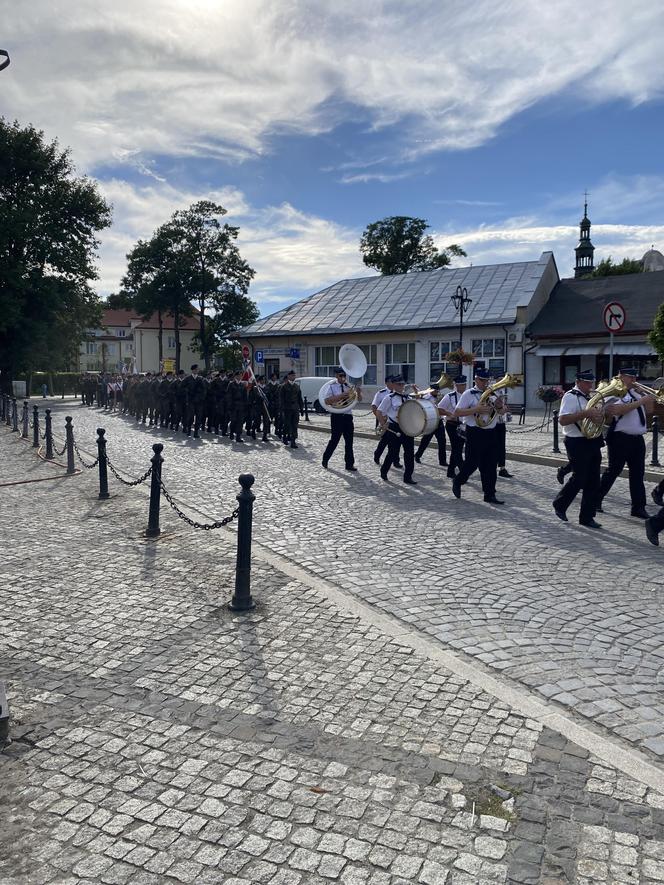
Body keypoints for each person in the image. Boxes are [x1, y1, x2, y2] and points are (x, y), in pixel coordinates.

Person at [597, 368, 655, 519]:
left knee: (638, 474)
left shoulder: (637, 393)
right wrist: (641, 401)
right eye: (631, 377)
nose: (634, 379)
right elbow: (617, 410)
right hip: (619, 438)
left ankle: (638, 507)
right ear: (621, 377)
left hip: (637, 439)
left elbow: (649, 411)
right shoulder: (613, 392)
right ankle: (595, 500)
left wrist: (648, 398)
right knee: (613, 471)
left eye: (635, 376)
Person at [552, 370, 604, 528]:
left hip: (592, 440)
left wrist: (600, 415)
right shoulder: (570, 396)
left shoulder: (591, 397)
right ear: (579, 382)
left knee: (594, 480)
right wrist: (585, 413)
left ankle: (587, 517)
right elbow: (562, 420)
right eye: (588, 383)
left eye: (592, 383)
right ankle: (560, 504)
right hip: (576, 441)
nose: (591, 386)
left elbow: (599, 418)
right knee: (579, 477)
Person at [452, 367, 506, 505]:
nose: (486, 383)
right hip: (475, 432)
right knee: (471, 464)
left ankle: (490, 494)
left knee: (490, 465)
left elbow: (501, 412)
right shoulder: (469, 394)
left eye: (487, 380)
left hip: (491, 432)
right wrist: (476, 409)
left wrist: (500, 406)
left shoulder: (492, 393)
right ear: (476, 379)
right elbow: (457, 412)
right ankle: (458, 481)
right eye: (483, 380)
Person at [376, 375, 417, 484]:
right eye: (399, 384)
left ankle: (408, 477)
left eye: (403, 384)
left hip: (407, 427)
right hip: (394, 427)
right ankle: (384, 470)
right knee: (393, 452)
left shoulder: (408, 398)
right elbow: (379, 412)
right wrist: (383, 424)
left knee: (409, 453)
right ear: (393, 385)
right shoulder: (389, 398)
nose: (401, 386)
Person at [322, 367, 359, 471]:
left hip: (348, 416)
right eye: (340, 376)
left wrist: (359, 393)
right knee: (335, 440)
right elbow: (327, 401)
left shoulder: (349, 386)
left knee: (349, 442)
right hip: (337, 416)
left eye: (344, 375)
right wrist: (341, 395)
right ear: (336, 376)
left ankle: (349, 464)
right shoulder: (332, 387)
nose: (343, 378)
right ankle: (325, 459)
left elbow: (358, 399)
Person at [438, 375, 466, 478]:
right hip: (452, 425)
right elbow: (439, 409)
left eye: (464, 384)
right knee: (457, 449)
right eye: (461, 385)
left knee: (456, 449)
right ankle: (464, 471)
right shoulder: (449, 396)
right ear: (456, 385)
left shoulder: (467, 396)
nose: (463, 386)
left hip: (463, 426)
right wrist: (450, 414)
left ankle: (450, 471)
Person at [414, 383, 448, 467]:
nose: (437, 392)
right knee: (425, 441)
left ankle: (442, 461)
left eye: (438, 390)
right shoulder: (426, 397)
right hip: (430, 422)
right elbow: (419, 404)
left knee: (442, 441)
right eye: (435, 390)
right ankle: (417, 455)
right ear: (431, 390)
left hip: (439, 421)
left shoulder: (440, 397)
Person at [372, 377, 403, 468]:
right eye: (390, 382)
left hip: (393, 422)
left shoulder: (400, 395)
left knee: (395, 443)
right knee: (384, 441)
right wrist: (381, 421)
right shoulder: (381, 393)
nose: (392, 384)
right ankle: (377, 455)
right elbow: (374, 407)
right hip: (384, 421)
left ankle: (396, 461)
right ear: (387, 383)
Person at [280, 370, 303, 448]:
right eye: (292, 375)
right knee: (287, 424)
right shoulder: (284, 386)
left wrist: (302, 409)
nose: (294, 377)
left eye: (294, 375)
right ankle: (285, 436)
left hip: (295, 408)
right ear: (289, 376)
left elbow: (300, 398)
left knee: (294, 425)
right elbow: (281, 399)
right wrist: (282, 409)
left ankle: (293, 441)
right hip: (287, 408)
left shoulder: (297, 386)